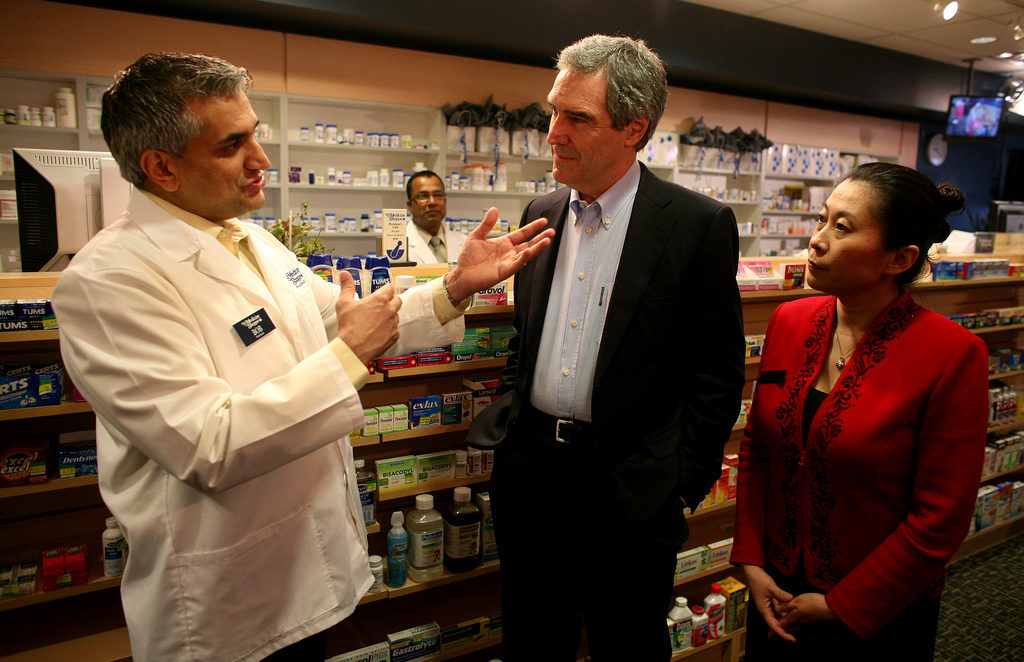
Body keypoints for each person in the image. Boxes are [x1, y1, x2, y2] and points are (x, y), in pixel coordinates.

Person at [51, 52, 553, 662]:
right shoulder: (111, 281)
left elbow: (344, 319)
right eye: (232, 145)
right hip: (224, 605)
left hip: (303, 571)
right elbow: (208, 444)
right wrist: (349, 356)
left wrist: (454, 288)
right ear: (161, 167)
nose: (261, 160)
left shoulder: (249, 238)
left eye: (255, 134)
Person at [467, 34, 745, 660]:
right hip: (534, 474)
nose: (552, 133)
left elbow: (717, 375)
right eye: (553, 111)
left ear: (633, 128)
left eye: (576, 118)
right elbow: (527, 336)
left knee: (627, 643)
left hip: (631, 484)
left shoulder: (695, 224)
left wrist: (679, 486)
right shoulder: (541, 210)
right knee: (534, 640)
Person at [731, 162, 989, 661]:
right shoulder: (790, 320)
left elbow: (941, 517)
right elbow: (759, 447)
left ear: (900, 258)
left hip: (880, 610)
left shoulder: (952, 354)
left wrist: (841, 605)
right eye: (822, 219)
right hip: (777, 590)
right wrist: (751, 560)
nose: (817, 240)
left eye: (842, 227)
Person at [405, 169, 466, 264]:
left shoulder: (464, 242)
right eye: (423, 196)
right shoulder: (398, 246)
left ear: (445, 201)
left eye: (438, 195)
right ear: (410, 205)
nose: (432, 202)